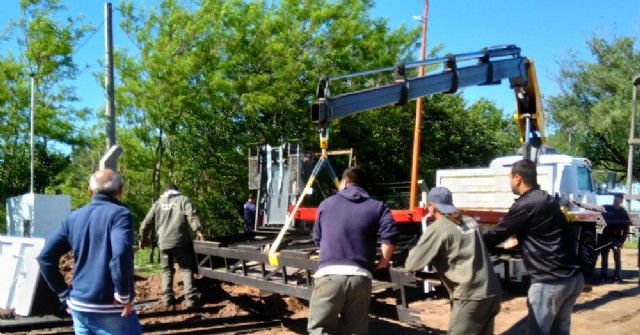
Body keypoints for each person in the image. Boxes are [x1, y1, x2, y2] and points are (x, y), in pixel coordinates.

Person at [483, 159, 584, 335]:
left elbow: (497, 234)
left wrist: (472, 242)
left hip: (549, 281)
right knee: (559, 332)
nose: (510, 182)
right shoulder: (547, 199)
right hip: (573, 279)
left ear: (517, 178)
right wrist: (522, 240)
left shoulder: (525, 204)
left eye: (510, 178)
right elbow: (547, 231)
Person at [37, 169, 142, 335]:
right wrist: (123, 295)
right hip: (111, 308)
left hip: (79, 305)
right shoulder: (120, 214)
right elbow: (120, 253)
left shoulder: (72, 218)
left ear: (89, 191)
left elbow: (45, 258)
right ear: (120, 191)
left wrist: (64, 294)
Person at [307, 167, 399, 335]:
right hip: (361, 277)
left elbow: (318, 238)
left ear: (345, 182)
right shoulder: (378, 206)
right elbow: (390, 233)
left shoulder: (326, 204)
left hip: (329, 276)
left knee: (320, 329)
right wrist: (384, 261)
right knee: (354, 331)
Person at [405, 187, 502, 335]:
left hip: (470, 297)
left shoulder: (438, 228)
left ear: (432, 206)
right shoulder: (469, 221)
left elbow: (412, 264)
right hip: (491, 291)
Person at [139, 183, 204, 309]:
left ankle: (167, 299)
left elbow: (146, 222)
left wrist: (143, 239)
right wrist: (198, 230)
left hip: (164, 243)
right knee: (186, 269)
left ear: (165, 191)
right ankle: (190, 300)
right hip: (181, 242)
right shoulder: (183, 200)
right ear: (176, 191)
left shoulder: (158, 203)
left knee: (167, 270)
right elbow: (192, 216)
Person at [571, 193, 630, 283]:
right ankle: (603, 275)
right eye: (614, 200)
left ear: (621, 201)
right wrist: (578, 204)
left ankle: (616, 276)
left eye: (617, 200)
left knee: (617, 258)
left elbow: (626, 228)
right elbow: (593, 207)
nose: (615, 202)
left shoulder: (623, 213)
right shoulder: (607, 208)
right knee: (604, 257)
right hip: (605, 236)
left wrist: (622, 241)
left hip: (616, 239)